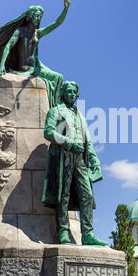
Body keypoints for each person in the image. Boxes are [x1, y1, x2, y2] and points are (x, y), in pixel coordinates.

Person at [0, 0, 71, 108]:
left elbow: (57, 23)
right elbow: (8, 46)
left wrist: (65, 9)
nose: (39, 18)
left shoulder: (38, 33)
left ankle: (56, 110)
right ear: (30, 16)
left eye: (40, 16)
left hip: (35, 69)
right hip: (21, 69)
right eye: (36, 15)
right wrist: (1, 66)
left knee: (58, 77)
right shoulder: (19, 32)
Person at [42, 81, 107, 246]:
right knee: (63, 195)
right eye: (68, 91)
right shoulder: (55, 111)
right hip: (63, 155)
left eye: (73, 92)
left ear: (78, 95)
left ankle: (88, 234)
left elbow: (88, 142)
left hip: (80, 159)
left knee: (87, 195)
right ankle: (63, 232)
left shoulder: (82, 118)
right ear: (63, 93)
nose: (71, 94)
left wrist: (96, 163)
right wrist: (68, 142)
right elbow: (48, 132)